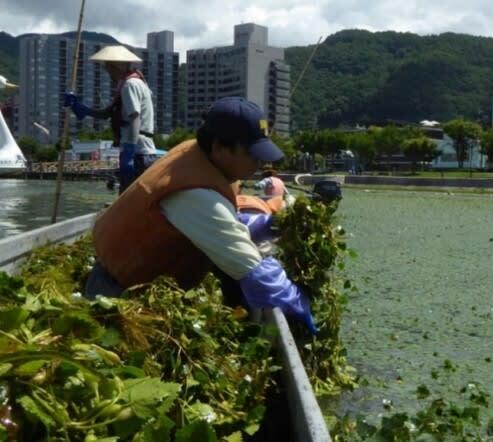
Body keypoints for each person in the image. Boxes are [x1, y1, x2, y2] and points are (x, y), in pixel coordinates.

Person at [84, 97, 317, 334]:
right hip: (117, 298)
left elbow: (225, 221)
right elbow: (255, 274)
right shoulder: (193, 193)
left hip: (142, 289)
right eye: (252, 155)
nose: (260, 163)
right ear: (219, 147)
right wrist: (299, 302)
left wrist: (268, 225)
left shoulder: (200, 158)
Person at [63, 45, 158, 193]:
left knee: (129, 201)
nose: (107, 71)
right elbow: (107, 113)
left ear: (117, 66)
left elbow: (135, 117)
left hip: (139, 153)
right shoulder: (130, 83)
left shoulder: (130, 85)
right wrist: (80, 108)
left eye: (108, 67)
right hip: (140, 152)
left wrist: (129, 150)